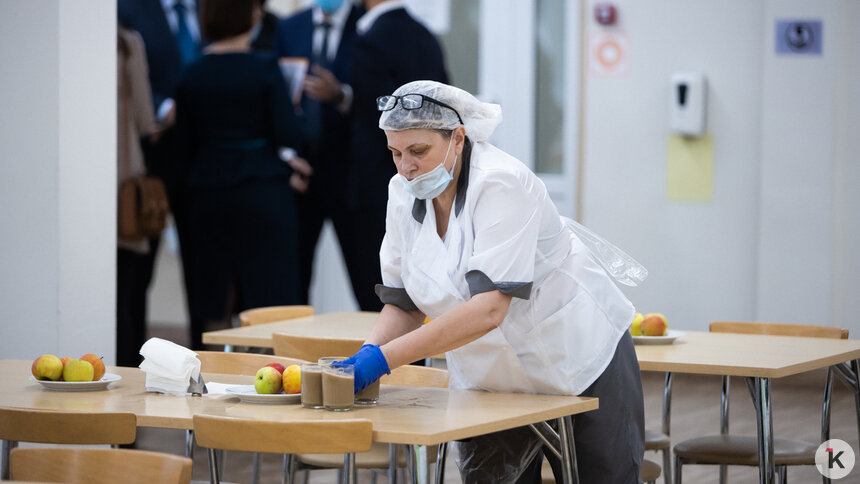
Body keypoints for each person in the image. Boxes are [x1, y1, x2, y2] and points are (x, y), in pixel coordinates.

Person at [337, 81, 645, 483]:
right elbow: (404, 304)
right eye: (395, 153)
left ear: (458, 138)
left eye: (418, 151)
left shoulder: (501, 182)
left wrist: (383, 361)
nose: (406, 167)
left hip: (578, 362)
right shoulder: (401, 193)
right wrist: (365, 354)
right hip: (487, 379)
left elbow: (489, 308)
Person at [173, 0, 302, 349]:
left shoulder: (191, 73)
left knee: (214, 293)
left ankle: (214, 375)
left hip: (208, 194)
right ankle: (265, 372)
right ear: (249, 16)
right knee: (269, 294)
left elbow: (181, 145)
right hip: (263, 192)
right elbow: (288, 132)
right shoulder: (264, 69)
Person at [345, 0, 449, 310]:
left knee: (380, 288)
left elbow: (371, 118)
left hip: (378, 180)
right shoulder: (424, 35)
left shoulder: (370, 40)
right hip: (432, 177)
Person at [117, 0, 202, 346]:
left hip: (204, 164)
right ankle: (132, 357)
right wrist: (163, 109)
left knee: (203, 274)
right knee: (138, 270)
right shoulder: (130, 9)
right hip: (151, 162)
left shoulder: (211, 8)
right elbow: (126, 79)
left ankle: (203, 356)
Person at [274, 0, 363, 305]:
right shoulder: (289, 27)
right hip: (301, 172)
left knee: (367, 275)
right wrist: (285, 156)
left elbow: (376, 93)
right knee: (293, 280)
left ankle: (380, 350)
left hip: (350, 173)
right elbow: (276, 95)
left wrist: (341, 95)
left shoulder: (365, 24)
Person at [116, 25, 162, 366]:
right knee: (128, 292)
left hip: (80, 183)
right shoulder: (127, 42)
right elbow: (146, 118)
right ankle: (130, 371)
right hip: (123, 181)